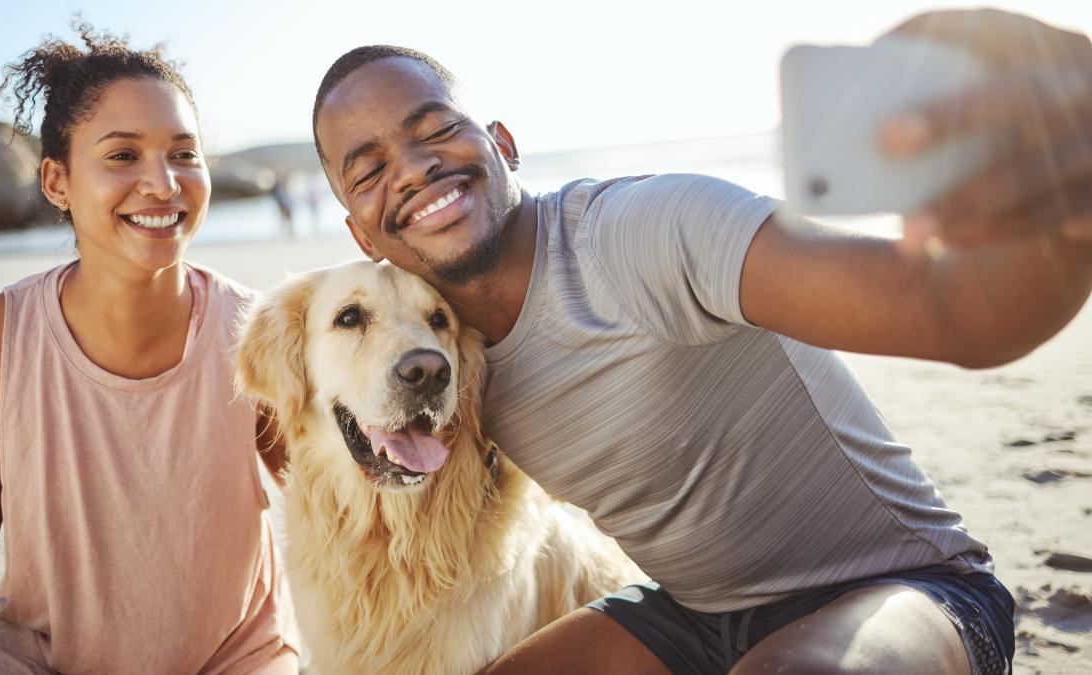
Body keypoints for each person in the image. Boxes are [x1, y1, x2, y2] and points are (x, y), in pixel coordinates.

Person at [309, 8, 1091, 675]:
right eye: (368, 169)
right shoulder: (445, 351)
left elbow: (959, 311)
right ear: (356, 227)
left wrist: (1069, 185)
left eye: (436, 130)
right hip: (693, 614)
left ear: (503, 143)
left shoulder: (652, 231)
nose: (412, 168)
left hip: (911, 590)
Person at [0, 26, 297, 674]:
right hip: (39, 652)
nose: (163, 183)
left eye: (184, 154)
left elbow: (316, 490)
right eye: (122, 155)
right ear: (57, 180)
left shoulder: (255, 335)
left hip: (234, 652)